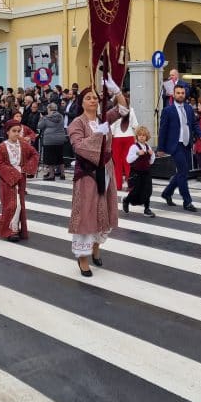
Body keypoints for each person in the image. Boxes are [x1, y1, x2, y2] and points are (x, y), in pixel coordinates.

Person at [68, 85, 129, 277]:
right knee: (86, 214)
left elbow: (123, 109)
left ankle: (96, 247)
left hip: (106, 171)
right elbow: (79, 147)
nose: (93, 100)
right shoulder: (77, 123)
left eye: (95, 98)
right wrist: (98, 134)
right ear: (82, 102)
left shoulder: (105, 118)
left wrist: (117, 91)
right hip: (87, 173)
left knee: (104, 211)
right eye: (88, 98)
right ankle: (82, 256)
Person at [156, 84, 201, 212]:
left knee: (182, 173)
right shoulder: (168, 110)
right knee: (183, 173)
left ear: (185, 94)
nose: (180, 95)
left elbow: (194, 124)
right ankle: (187, 201)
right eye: (178, 93)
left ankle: (167, 193)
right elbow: (163, 130)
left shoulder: (189, 108)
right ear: (174, 94)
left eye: (182, 93)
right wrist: (160, 148)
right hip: (175, 145)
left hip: (186, 144)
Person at [0, 119, 40, 242]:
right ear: (7, 132)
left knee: (19, 205)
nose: (16, 133)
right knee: (10, 204)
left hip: (20, 178)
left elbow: (35, 154)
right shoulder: (2, 146)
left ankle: (14, 228)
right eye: (14, 131)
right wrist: (13, 173)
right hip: (7, 179)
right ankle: (9, 230)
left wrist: (26, 168)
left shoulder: (23, 144)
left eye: (18, 131)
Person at [122, 125, 156, 217]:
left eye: (143, 135)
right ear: (137, 136)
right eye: (139, 135)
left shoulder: (148, 147)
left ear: (146, 137)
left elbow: (151, 161)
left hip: (147, 172)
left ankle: (147, 209)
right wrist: (137, 154)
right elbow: (128, 160)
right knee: (136, 191)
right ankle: (126, 200)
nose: (141, 136)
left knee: (148, 190)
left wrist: (152, 155)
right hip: (136, 173)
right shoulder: (134, 147)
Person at [110, 104, 139, 191]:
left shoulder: (114, 110)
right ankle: (131, 185)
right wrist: (136, 139)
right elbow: (135, 125)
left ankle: (118, 185)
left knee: (117, 163)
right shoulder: (131, 109)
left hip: (117, 138)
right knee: (129, 163)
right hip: (129, 136)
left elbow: (112, 127)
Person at [37, 102, 67, 180]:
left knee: (49, 158)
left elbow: (39, 126)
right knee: (60, 157)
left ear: (49, 109)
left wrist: (41, 118)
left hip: (49, 139)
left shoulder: (46, 117)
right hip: (60, 139)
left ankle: (51, 175)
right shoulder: (61, 116)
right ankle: (62, 174)